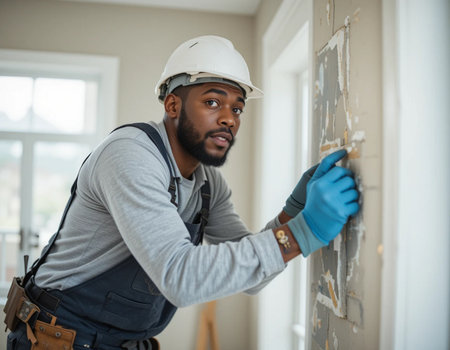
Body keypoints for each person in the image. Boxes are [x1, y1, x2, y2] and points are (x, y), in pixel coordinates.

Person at [6, 35, 359, 350]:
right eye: (212, 102)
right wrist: (302, 232)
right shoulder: (130, 155)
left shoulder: (209, 185)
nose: (229, 118)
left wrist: (292, 215)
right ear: (172, 106)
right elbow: (180, 277)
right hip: (56, 338)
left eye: (237, 108)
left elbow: (254, 277)